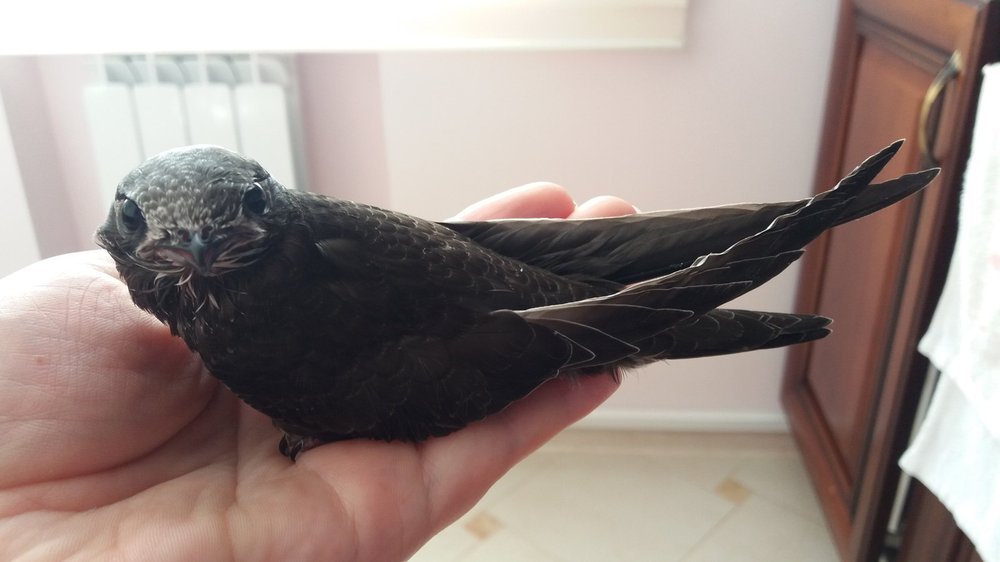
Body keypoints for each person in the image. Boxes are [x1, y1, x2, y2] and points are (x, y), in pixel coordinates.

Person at [0, 183, 635, 561]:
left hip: (479, 328)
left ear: (268, 199)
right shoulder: (281, 281)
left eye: (246, 209)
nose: (198, 252)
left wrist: (318, 424)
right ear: (123, 221)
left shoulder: (285, 314)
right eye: (140, 223)